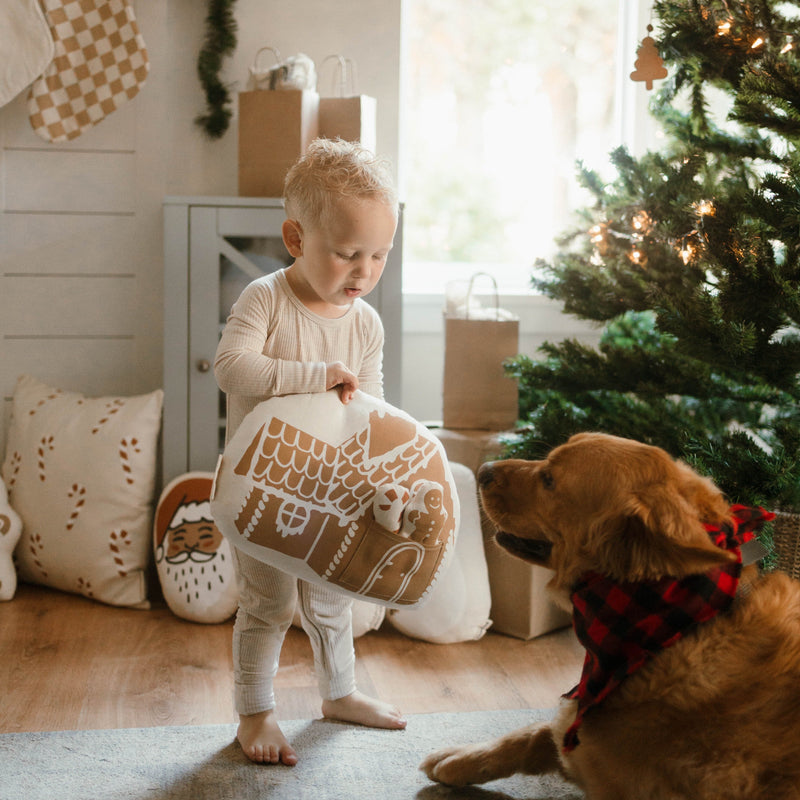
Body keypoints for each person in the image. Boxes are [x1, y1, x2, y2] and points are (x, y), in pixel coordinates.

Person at [214, 138, 405, 766]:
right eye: (348, 253)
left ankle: (340, 693)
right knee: (268, 603)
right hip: (262, 484)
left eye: (379, 255)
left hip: (330, 487)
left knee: (330, 599)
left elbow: (370, 410)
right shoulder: (265, 298)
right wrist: (312, 373)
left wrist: (382, 476)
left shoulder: (366, 323)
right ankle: (255, 713)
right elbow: (232, 368)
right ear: (296, 239)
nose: (364, 271)